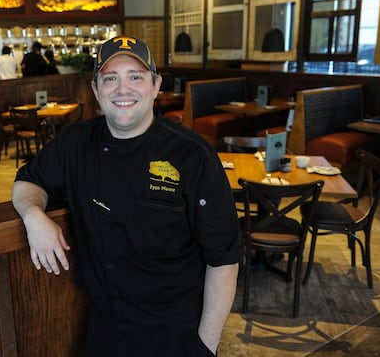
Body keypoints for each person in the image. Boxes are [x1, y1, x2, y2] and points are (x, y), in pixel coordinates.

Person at [12, 35, 240, 357]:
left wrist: (204, 347)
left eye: (135, 77)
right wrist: (34, 216)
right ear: (95, 90)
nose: (123, 89)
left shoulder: (194, 156)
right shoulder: (75, 143)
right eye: (110, 79)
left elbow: (224, 261)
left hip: (175, 331)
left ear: (156, 85)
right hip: (105, 326)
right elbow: (27, 182)